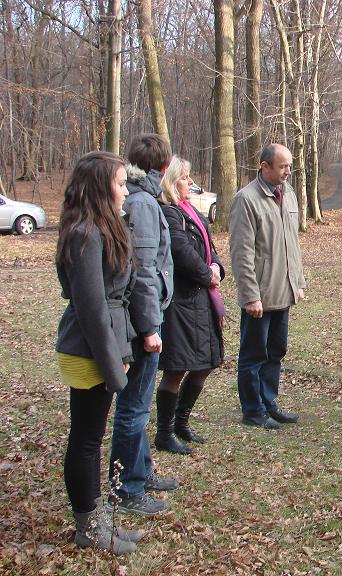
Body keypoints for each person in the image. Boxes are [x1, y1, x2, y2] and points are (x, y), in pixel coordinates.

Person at [56, 151, 145, 554]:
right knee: (88, 439)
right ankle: (88, 526)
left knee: (91, 436)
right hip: (89, 347)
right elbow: (92, 309)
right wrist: (114, 366)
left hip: (105, 344)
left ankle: (98, 517)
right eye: (120, 183)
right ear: (99, 187)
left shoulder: (101, 228)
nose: (126, 190)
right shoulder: (85, 233)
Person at [109, 134, 176, 516]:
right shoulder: (144, 204)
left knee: (138, 405)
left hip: (142, 319)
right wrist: (150, 327)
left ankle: (142, 471)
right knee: (133, 408)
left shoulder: (139, 197)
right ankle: (126, 489)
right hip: (141, 324)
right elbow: (145, 272)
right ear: (163, 168)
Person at [229, 143, 306, 430]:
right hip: (259, 296)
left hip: (282, 291)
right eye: (283, 166)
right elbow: (241, 252)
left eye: (289, 165)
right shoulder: (245, 200)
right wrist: (250, 296)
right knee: (253, 354)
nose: (288, 171)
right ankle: (252, 410)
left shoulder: (289, 196)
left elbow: (292, 244)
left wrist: (297, 281)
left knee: (276, 350)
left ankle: (269, 402)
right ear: (265, 166)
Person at [155, 156, 225, 454]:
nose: (190, 183)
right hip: (182, 304)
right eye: (185, 177)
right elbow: (181, 253)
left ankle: (182, 422)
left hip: (202, 301)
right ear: (171, 181)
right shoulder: (169, 213)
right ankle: (165, 432)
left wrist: (218, 268)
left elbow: (211, 249)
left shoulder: (190, 212)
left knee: (207, 363)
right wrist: (206, 274)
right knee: (177, 368)